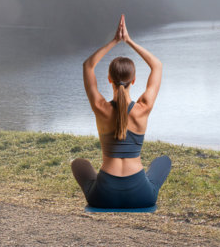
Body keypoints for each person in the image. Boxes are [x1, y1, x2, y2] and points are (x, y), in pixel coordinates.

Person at [72, 14, 171, 208]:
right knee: (163, 162)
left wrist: (114, 41)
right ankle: (145, 184)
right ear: (133, 80)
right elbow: (157, 65)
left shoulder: (100, 108)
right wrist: (129, 41)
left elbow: (88, 66)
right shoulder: (143, 108)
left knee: (79, 164)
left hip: (102, 197)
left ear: (109, 79)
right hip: (142, 196)